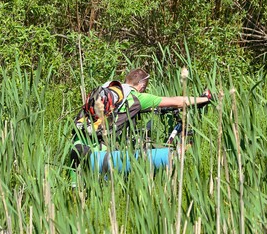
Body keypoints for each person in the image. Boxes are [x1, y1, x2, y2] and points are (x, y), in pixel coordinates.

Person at [68, 68, 211, 176]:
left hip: (79, 141)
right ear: (142, 85)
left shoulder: (109, 89)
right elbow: (178, 101)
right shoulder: (135, 97)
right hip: (101, 150)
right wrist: (205, 99)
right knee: (169, 157)